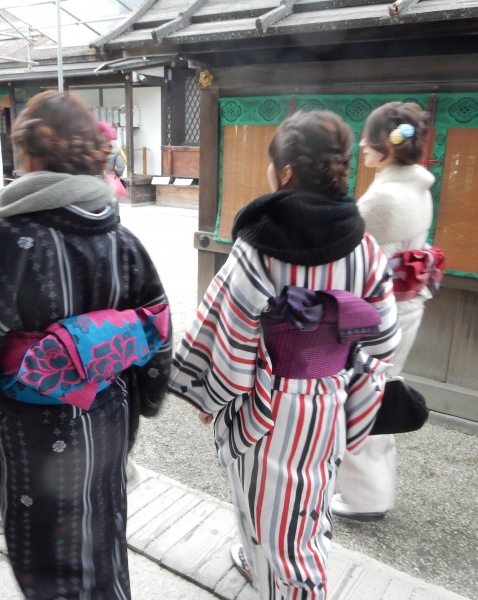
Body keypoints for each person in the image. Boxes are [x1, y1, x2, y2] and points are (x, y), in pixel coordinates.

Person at [0, 90, 172, 599]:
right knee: (103, 535)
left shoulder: (9, 238)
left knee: (46, 553)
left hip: (34, 427)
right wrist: (145, 392)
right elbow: (157, 327)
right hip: (107, 415)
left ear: (30, 156)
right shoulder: (122, 240)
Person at [168, 110, 399, 599]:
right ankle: (262, 568)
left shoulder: (261, 248)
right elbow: (381, 338)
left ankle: (295, 588)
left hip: (272, 404)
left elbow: (224, 327)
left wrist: (210, 395)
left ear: (286, 172)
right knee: (304, 505)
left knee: (275, 515)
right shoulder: (365, 246)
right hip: (331, 395)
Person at [331, 101, 435, 521]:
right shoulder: (417, 186)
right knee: (382, 388)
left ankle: (365, 497)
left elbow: (352, 262)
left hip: (380, 314)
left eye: (368, 138)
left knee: (363, 397)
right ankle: (374, 489)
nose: (361, 146)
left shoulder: (385, 199)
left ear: (386, 146)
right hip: (407, 305)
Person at [98, 121, 128, 198]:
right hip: (110, 182)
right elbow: (121, 167)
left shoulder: (92, 149)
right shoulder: (115, 150)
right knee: (112, 202)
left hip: (95, 183)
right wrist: (117, 174)